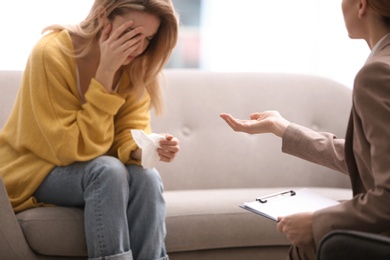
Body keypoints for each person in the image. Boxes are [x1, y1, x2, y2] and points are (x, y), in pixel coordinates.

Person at [0, 0, 180, 259]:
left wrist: (149, 148)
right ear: (102, 15)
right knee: (107, 171)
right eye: (132, 34)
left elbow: (129, 132)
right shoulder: (51, 52)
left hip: (94, 172)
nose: (139, 47)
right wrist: (105, 73)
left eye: (148, 38)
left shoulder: (137, 65)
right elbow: (67, 150)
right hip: (35, 170)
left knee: (147, 177)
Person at [220, 0, 390, 259]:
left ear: (362, 6)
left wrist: (316, 223)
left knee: (310, 242)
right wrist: (283, 128)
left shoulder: (376, 73)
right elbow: (364, 159)